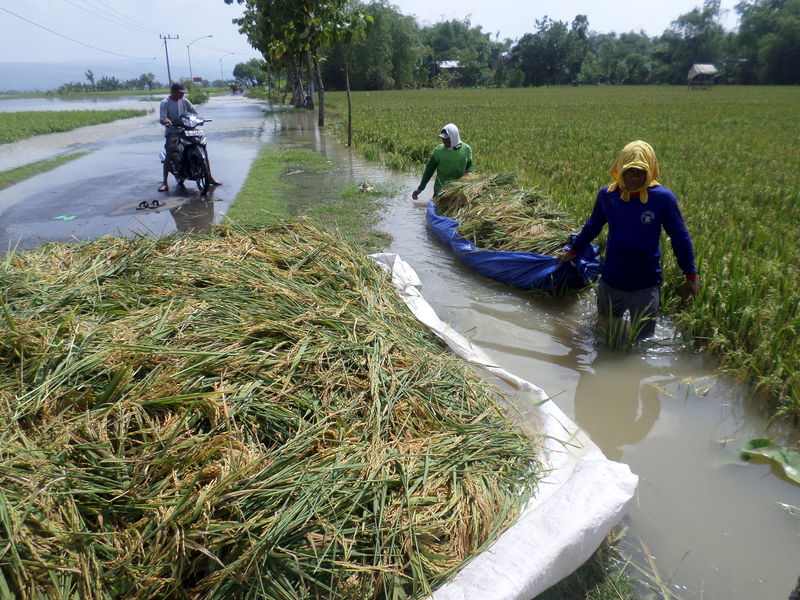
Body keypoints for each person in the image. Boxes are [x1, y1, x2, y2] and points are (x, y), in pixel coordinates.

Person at [558, 140, 698, 339]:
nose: (635, 177)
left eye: (641, 172)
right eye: (630, 171)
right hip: (612, 280)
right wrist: (573, 251)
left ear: (650, 171)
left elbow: (680, 237)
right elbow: (593, 226)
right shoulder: (609, 196)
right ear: (620, 169)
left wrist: (690, 275)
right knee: (603, 334)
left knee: (643, 341)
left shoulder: (662, 198)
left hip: (646, 283)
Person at [158, 81, 221, 192]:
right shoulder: (165, 102)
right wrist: (165, 120)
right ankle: (165, 182)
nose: (182, 95)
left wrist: (198, 119)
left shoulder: (184, 101)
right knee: (170, 152)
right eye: (180, 92)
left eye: (183, 93)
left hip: (187, 128)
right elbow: (162, 117)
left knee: (203, 147)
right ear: (173, 91)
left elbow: (194, 112)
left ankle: (209, 176)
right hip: (172, 130)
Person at [411, 123, 473, 200]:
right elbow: (429, 171)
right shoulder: (438, 151)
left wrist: (470, 173)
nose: (444, 141)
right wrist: (420, 188)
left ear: (454, 136)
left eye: (447, 138)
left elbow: (470, 166)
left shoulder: (466, 149)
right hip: (441, 188)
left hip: (459, 187)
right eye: (442, 138)